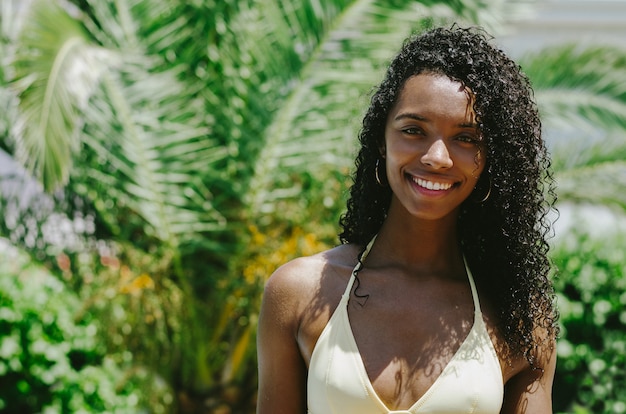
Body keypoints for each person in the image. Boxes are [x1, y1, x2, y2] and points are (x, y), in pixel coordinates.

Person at [256, 26, 559, 413]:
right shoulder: (300, 292)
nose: (437, 157)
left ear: (491, 159)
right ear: (382, 141)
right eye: (414, 130)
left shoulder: (519, 320)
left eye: (466, 138)